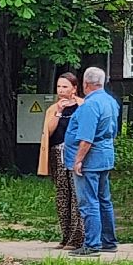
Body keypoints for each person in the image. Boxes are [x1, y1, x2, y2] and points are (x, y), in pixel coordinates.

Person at [63, 67, 121, 258]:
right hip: (105, 156)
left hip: (90, 159)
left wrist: (78, 160)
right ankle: (109, 241)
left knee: (89, 202)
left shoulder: (90, 105)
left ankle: (92, 244)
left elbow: (86, 137)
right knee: (104, 200)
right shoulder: (110, 101)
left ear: (85, 84)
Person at [37, 72, 85, 250]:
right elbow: (48, 132)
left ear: (74, 88)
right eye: (59, 86)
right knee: (62, 195)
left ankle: (77, 237)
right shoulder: (52, 109)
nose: (61, 90)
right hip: (58, 153)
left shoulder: (83, 106)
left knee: (76, 194)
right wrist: (58, 112)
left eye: (65, 86)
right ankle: (65, 236)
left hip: (75, 153)